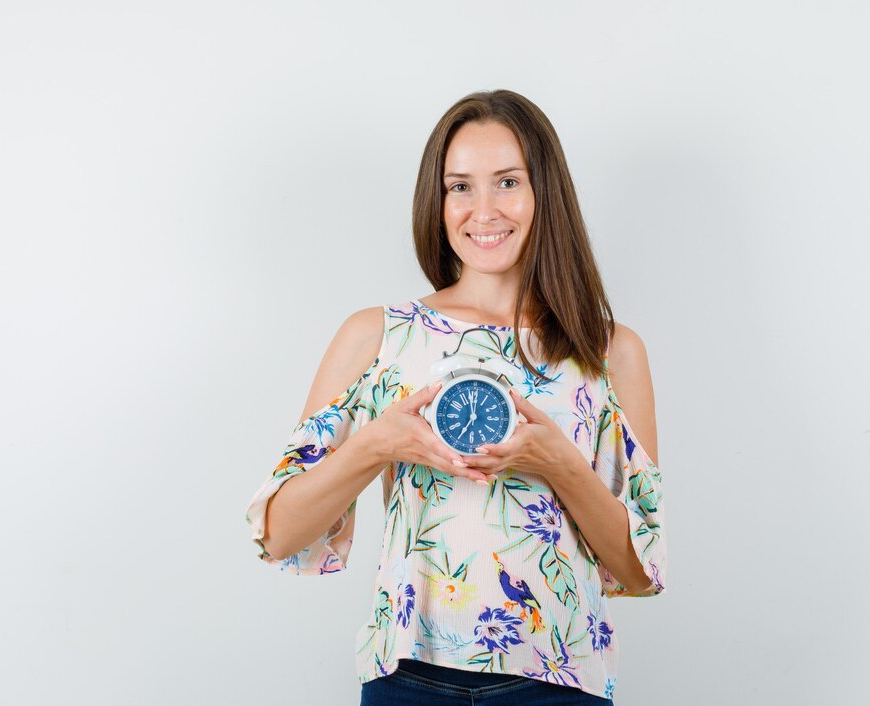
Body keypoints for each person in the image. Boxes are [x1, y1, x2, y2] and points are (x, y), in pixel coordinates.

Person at [244, 89, 667, 706]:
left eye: (508, 182)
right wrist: (375, 446)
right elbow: (279, 534)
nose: (483, 210)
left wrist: (559, 464)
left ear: (545, 193)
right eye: (460, 187)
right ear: (436, 201)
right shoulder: (380, 336)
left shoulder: (606, 350)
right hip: (409, 676)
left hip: (559, 682)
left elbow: (639, 570)